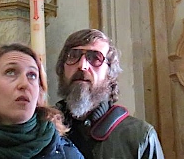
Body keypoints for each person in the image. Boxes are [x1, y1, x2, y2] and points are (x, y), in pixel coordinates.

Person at [55, 29, 163, 159]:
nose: (82, 65)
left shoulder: (140, 137)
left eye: (95, 58)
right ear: (62, 68)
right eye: (73, 56)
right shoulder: (44, 129)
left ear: (110, 74)